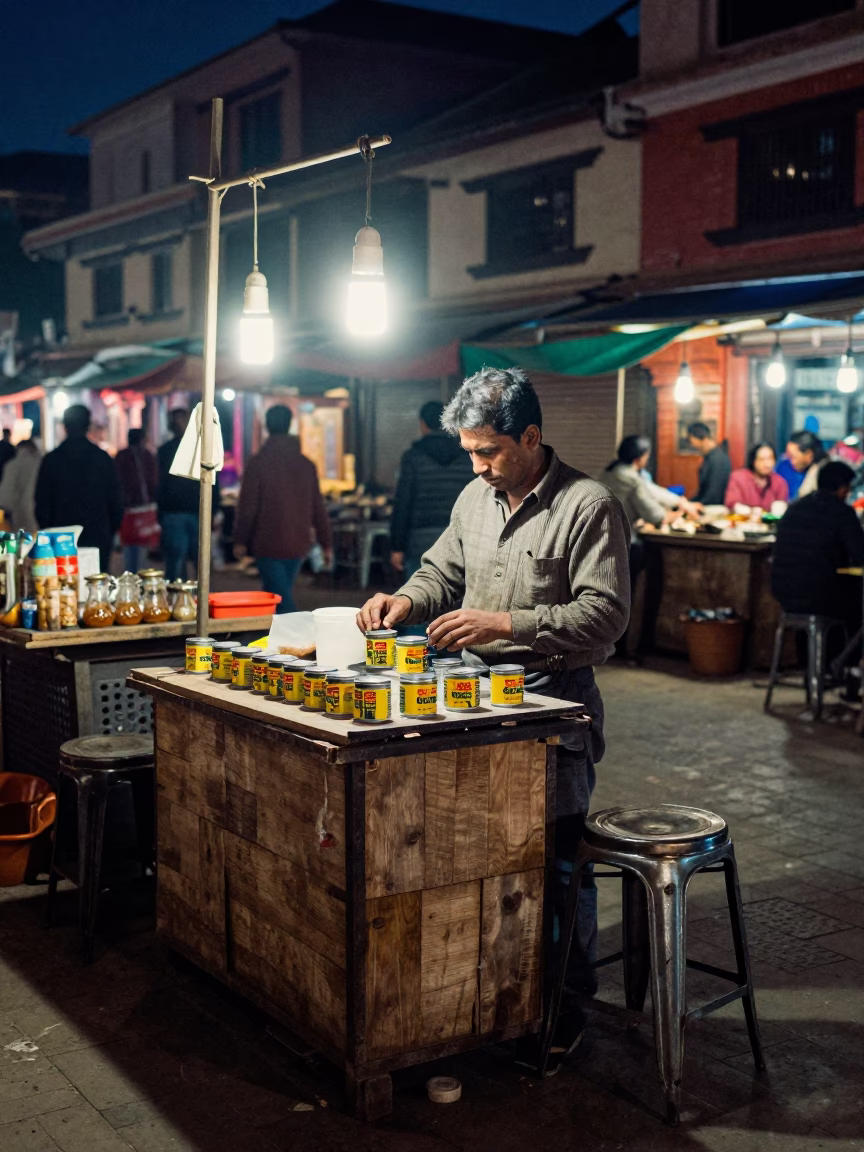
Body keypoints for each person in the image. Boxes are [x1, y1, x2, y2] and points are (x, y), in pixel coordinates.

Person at [357, 366, 630, 1055]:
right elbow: (440, 571)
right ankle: (498, 998)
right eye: (470, 453)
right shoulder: (476, 501)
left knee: (560, 865)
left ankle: (564, 1013)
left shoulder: (588, 505)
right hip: (480, 706)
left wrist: (503, 625)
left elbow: (604, 617)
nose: (476, 467)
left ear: (530, 436)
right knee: (487, 862)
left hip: (556, 708)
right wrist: (405, 601)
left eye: (488, 452)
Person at [233, 404, 332, 613]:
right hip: (298, 542)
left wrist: (240, 539)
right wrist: (326, 543)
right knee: (281, 595)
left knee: (279, 599)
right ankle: (286, 641)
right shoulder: (306, 464)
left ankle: (302, 636)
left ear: (267, 426)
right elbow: (317, 507)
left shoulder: (258, 463)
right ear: (290, 426)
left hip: (268, 542)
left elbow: (248, 506)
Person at [772, 461, 864, 644]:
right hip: (820, 596)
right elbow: (860, 554)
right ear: (842, 489)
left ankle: (810, 664)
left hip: (783, 592)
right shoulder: (842, 512)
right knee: (856, 601)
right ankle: (842, 665)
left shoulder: (795, 508)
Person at [389, 400, 475, 579]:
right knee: (457, 602)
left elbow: (403, 503)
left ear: (422, 424)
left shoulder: (412, 457)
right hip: (460, 542)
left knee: (418, 598)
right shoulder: (468, 457)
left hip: (420, 542)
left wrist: (397, 546)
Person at [34, 405, 123, 571]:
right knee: (96, 588)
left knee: (63, 588)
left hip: (61, 535)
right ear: (88, 426)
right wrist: (110, 530)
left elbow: (41, 502)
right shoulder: (102, 458)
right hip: (98, 534)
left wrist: (48, 530)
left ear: (65, 426)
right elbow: (116, 500)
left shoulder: (52, 460)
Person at [157, 408, 220, 582]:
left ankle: (188, 601)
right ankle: (184, 601)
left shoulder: (167, 450)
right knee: (186, 563)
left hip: (187, 511)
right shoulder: (201, 449)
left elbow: (213, 481)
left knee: (187, 563)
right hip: (182, 511)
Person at [115, 428, 158, 572]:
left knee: (129, 547)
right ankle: (141, 579)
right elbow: (153, 482)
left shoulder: (121, 456)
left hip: (127, 509)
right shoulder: (147, 456)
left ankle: (131, 577)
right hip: (144, 508)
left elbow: (117, 481)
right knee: (142, 548)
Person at [724, 442, 789, 511]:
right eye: (761, 459)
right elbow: (731, 503)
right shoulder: (739, 478)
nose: (767, 464)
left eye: (770, 459)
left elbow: (782, 507)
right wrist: (749, 511)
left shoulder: (780, 482)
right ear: (753, 461)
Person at [0, 438, 41, 534]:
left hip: (20, 519)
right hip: (40, 518)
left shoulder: (12, 466)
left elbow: (5, 498)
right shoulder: (43, 463)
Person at [687, 421, 731, 506]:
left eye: (692, 441)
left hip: (713, 508)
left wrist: (695, 505)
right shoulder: (710, 457)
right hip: (707, 504)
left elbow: (713, 496)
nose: (693, 445)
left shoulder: (718, 460)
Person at [785, 429, 829, 498]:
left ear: (809, 454)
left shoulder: (823, 472)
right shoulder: (804, 470)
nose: (791, 462)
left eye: (793, 457)